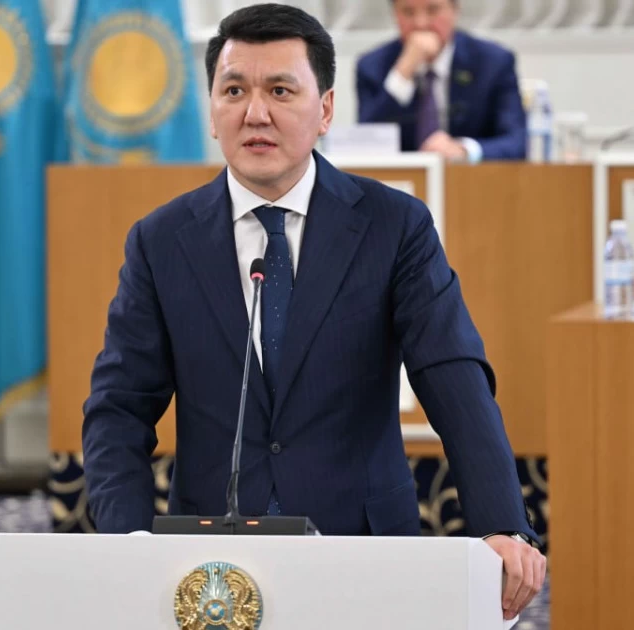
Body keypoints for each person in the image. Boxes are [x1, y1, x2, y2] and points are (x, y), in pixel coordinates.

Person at [81, 2, 544, 620]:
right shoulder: (162, 241)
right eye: (234, 91)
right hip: (211, 567)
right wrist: (129, 542)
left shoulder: (393, 226)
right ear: (212, 112)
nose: (256, 113)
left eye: (280, 90)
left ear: (325, 110)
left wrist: (502, 522)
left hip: (362, 548)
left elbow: (453, 375)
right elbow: (119, 408)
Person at [355, 0, 526, 162]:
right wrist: (403, 73)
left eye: (432, 10)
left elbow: (516, 143)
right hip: (400, 181)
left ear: (455, 10)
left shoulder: (493, 62)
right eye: (408, 12)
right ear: (395, 14)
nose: (420, 24)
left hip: (471, 178)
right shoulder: (372, 66)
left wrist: (464, 150)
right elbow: (364, 143)